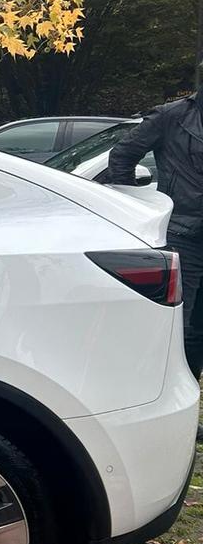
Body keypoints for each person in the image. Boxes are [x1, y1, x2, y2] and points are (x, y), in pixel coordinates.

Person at [108, 93, 203, 377]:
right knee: (176, 329)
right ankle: (172, 404)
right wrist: (137, 208)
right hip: (183, 236)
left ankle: (189, 397)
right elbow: (122, 156)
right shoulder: (172, 116)